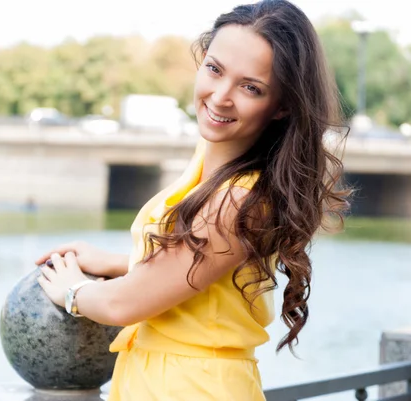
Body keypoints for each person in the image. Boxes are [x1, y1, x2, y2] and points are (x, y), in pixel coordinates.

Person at [35, 0, 350, 399]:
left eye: (250, 87)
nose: (220, 97)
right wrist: (120, 262)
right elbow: (199, 276)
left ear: (283, 106)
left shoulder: (240, 198)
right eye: (215, 69)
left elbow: (122, 306)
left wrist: (71, 291)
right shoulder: (214, 166)